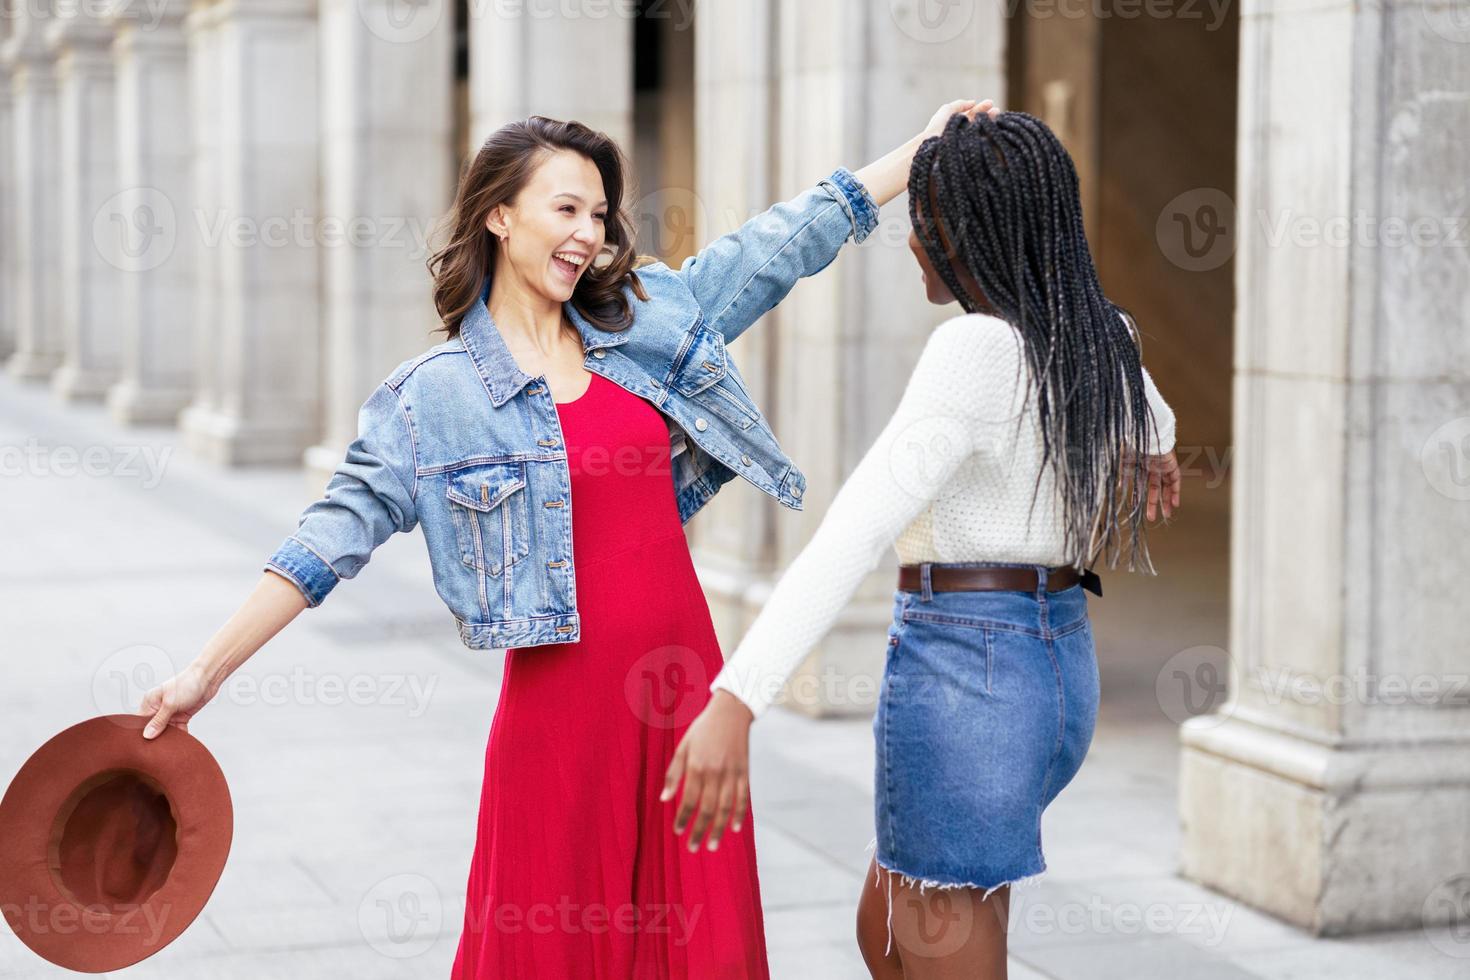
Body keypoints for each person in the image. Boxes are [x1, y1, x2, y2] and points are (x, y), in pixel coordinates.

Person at [135, 103, 1001, 978]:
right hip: (561, 717)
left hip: (683, 695)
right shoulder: (432, 399)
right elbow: (327, 541)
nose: (589, 234)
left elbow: (787, 242)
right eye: (565, 209)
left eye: (598, 214)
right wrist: (206, 670)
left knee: (695, 937)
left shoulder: (647, 316)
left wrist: (917, 149)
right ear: (498, 215)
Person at [663, 109, 1183, 979]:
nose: (911, 245)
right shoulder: (1102, 337)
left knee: (933, 947)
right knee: (888, 936)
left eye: (924, 227)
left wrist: (737, 698)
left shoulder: (972, 351)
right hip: (1053, 676)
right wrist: (1154, 445)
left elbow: (853, 532)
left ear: (965, 235)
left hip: (967, 676)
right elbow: (1155, 419)